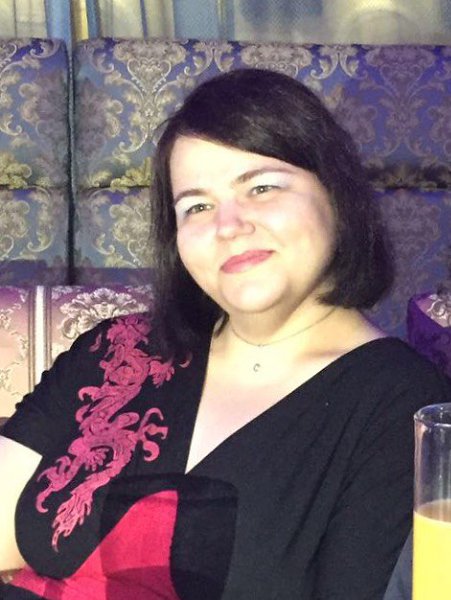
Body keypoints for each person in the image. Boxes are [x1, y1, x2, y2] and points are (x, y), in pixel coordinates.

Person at [0, 68, 450, 600]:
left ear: (337, 196)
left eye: (261, 187)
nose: (228, 225)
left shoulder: (403, 407)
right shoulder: (117, 351)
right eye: (197, 205)